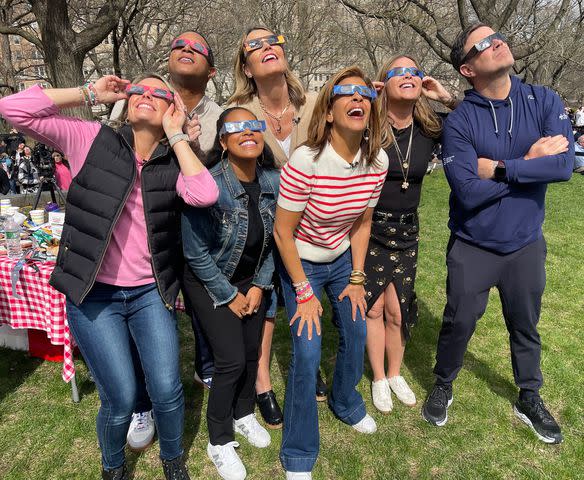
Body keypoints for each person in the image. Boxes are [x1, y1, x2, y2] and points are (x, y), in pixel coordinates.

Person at [0, 73, 219, 479]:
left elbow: (204, 194)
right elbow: (13, 109)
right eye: (140, 89)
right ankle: (113, 467)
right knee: (119, 398)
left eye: (160, 93)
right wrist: (88, 93)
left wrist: (178, 136)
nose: (146, 95)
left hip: (149, 294)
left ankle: (173, 459)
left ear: (173, 109)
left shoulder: (174, 160)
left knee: (168, 391)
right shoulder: (90, 139)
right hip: (93, 295)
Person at [421, 23, 572, 445]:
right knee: (459, 321)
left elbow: (562, 167)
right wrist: (528, 159)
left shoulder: (543, 99)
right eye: (482, 44)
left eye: (496, 36)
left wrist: (501, 166)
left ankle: (529, 395)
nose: (496, 43)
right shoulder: (461, 121)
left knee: (525, 324)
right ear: (468, 69)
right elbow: (468, 191)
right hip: (473, 245)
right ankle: (444, 381)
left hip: (525, 243)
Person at [274, 66, 388, 479]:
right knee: (306, 352)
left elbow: (362, 223)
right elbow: (282, 233)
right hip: (300, 260)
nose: (358, 99)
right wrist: (303, 292)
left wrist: (357, 277)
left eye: (365, 95)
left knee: (356, 328)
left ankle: (346, 402)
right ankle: (300, 453)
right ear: (327, 112)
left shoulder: (377, 163)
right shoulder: (307, 160)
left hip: (341, 259)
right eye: (347, 93)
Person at [125, 29, 223, 453]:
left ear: (210, 69)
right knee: (142, 322)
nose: (186, 50)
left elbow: (212, 181)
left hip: (201, 233)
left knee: (203, 312)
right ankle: (141, 403)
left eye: (197, 48)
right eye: (179, 45)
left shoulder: (220, 114)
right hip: (150, 237)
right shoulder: (143, 99)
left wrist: (190, 141)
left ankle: (208, 368)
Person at [229, 26, 321, 428]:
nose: (268, 48)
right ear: (246, 67)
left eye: (274, 42)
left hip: (313, 225)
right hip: (264, 225)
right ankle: (263, 384)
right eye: (256, 45)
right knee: (266, 305)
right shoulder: (239, 111)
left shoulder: (316, 103)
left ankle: (310, 362)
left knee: (308, 296)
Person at [182, 107, 280, 480]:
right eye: (236, 128)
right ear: (223, 142)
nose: (248, 132)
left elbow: (275, 243)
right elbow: (194, 253)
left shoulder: (273, 181)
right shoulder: (208, 184)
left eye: (253, 126)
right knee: (230, 361)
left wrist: (259, 285)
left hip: (251, 280)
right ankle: (218, 440)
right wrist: (229, 294)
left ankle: (243, 414)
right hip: (209, 280)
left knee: (252, 354)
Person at [364, 56, 457, 414]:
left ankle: (395, 372)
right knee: (373, 307)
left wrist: (446, 97)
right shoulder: (369, 123)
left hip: (407, 229)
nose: (408, 76)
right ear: (383, 82)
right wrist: (363, 100)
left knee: (399, 309)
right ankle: (377, 377)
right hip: (370, 227)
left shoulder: (430, 127)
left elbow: (474, 123)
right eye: (398, 72)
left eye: (414, 72)